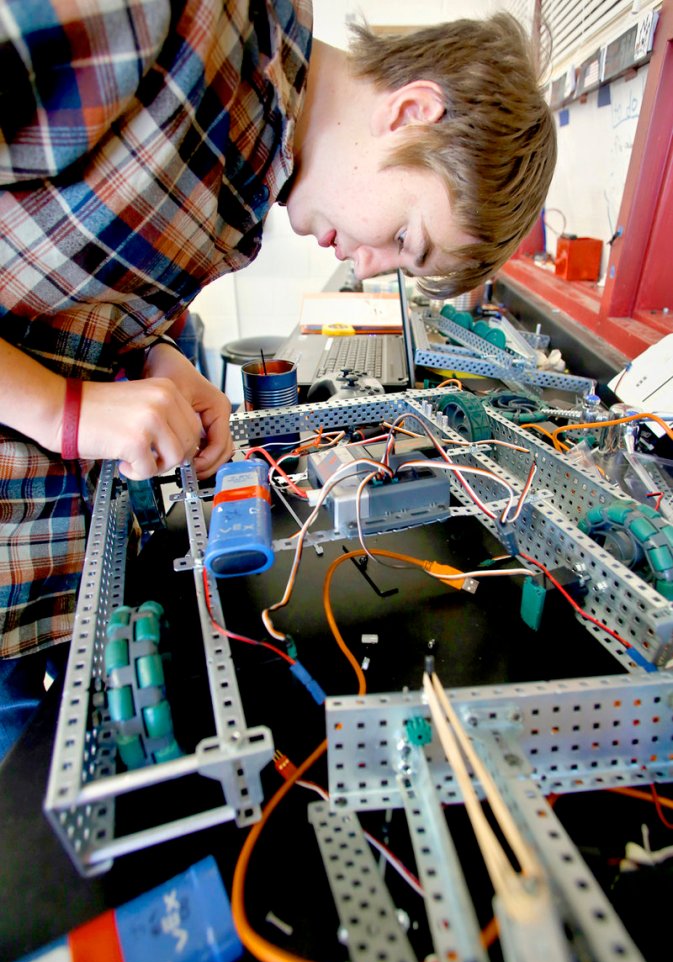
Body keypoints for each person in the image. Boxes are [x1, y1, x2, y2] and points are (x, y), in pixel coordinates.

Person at [0, 0, 556, 757]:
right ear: (413, 111)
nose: (365, 262)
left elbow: (55, 284)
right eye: (402, 238)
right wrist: (65, 412)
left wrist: (152, 352)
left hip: (42, 604)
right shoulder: (160, 22)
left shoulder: (245, 188)